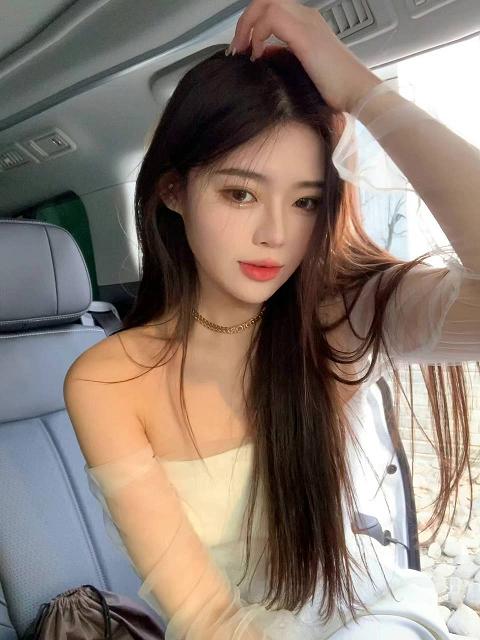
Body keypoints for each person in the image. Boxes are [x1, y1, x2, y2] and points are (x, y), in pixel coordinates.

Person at [63, 0, 480, 637]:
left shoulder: (344, 317)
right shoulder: (107, 381)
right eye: (240, 193)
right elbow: (207, 617)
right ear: (173, 191)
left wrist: (359, 90)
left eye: (306, 201)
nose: (276, 235)